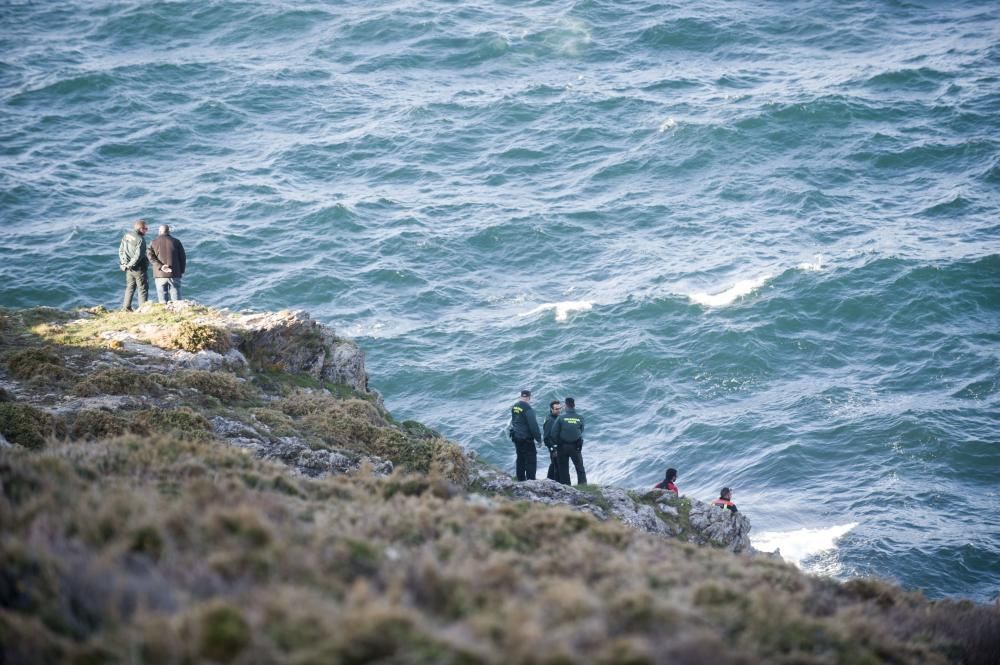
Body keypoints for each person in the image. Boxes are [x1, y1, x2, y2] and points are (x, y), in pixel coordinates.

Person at [551, 396, 587, 486]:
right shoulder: (580, 418)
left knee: (563, 468)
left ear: (566, 406)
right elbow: (581, 430)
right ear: (574, 406)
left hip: (562, 446)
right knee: (579, 467)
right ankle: (583, 485)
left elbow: (553, 433)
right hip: (575, 446)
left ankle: (566, 487)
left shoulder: (561, 418)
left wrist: (557, 443)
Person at [147, 224, 186, 303]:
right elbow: (183, 258)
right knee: (176, 299)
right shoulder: (176, 241)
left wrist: (161, 266)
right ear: (169, 231)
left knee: (162, 300)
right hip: (174, 273)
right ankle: (177, 313)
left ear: (159, 231)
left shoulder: (153, 242)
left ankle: (164, 313)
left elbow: (150, 257)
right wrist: (181, 271)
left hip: (160, 274)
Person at [509, 389, 542, 481]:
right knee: (531, 460)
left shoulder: (515, 406)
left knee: (520, 459)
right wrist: (539, 439)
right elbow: (533, 426)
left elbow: (514, 421)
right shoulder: (528, 409)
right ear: (529, 398)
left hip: (516, 437)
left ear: (521, 396)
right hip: (526, 439)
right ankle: (531, 481)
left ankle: (520, 480)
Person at [118, 219, 149, 311]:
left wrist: (124, 264)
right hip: (138, 268)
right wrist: (131, 265)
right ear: (141, 229)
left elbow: (121, 250)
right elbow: (138, 256)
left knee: (130, 287)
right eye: (146, 229)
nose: (146, 231)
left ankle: (126, 308)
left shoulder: (126, 236)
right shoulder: (140, 240)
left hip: (128, 268)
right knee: (142, 289)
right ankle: (142, 309)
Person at [542, 400, 562, 481]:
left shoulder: (557, 418)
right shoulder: (550, 420)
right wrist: (553, 449)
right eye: (556, 409)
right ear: (551, 409)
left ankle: (548, 481)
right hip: (554, 447)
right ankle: (556, 483)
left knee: (554, 465)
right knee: (557, 466)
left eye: (559, 408)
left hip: (558, 446)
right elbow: (546, 438)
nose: (558, 410)